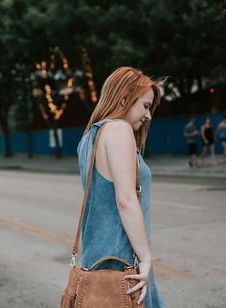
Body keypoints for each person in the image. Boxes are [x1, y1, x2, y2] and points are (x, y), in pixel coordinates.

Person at [77, 67, 165, 308]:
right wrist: (146, 258)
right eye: (145, 106)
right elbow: (126, 199)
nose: (148, 116)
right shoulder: (118, 129)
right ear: (125, 97)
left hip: (99, 257)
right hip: (123, 261)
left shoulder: (89, 138)